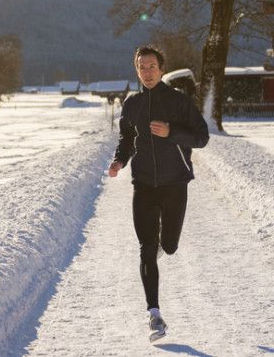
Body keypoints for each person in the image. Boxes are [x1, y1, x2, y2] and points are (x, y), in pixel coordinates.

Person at [107, 45, 209, 341]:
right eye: (141, 67)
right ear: (136, 70)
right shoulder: (132, 104)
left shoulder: (178, 102)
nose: (147, 72)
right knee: (146, 248)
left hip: (175, 183)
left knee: (170, 245)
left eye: (152, 66)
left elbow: (201, 137)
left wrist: (171, 133)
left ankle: (166, 243)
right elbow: (127, 139)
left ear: (161, 69)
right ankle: (154, 316)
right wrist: (119, 160)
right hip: (143, 185)